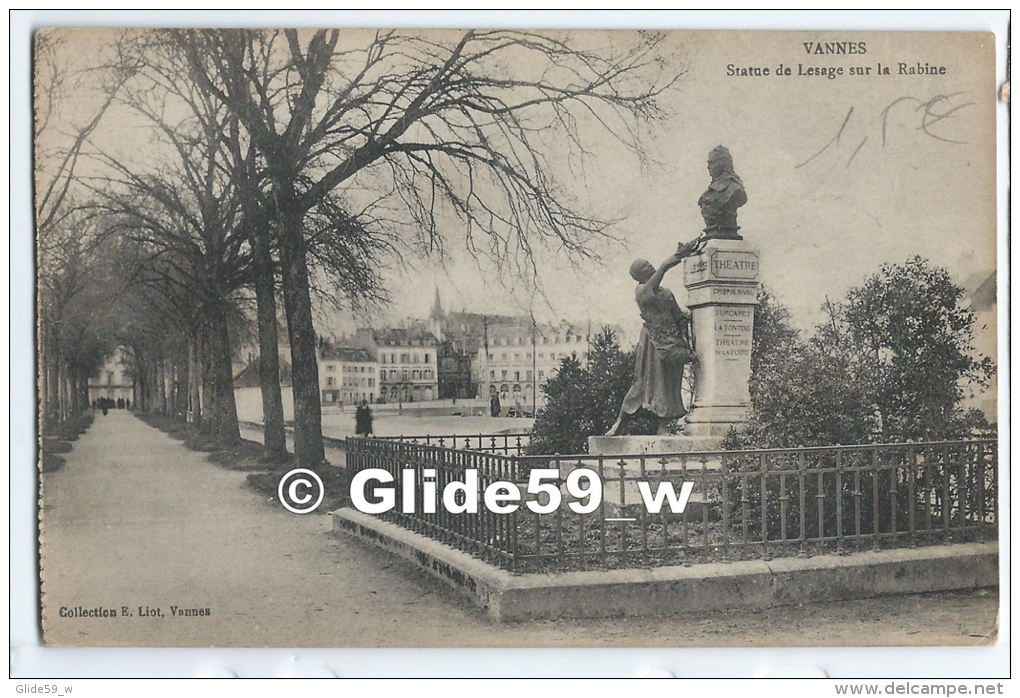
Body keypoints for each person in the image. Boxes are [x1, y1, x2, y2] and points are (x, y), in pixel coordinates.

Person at [606, 237, 703, 436]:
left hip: (672, 343)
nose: (649, 265)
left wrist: (685, 341)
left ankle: (663, 426)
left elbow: (679, 317)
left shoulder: (667, 293)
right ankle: (619, 423)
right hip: (651, 343)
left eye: (648, 263)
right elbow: (651, 289)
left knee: (669, 382)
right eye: (644, 266)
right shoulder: (641, 291)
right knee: (641, 383)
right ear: (638, 275)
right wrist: (667, 263)